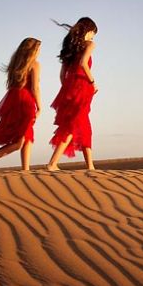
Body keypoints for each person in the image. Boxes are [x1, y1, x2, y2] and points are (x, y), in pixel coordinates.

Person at [0, 38, 42, 171]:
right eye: (38, 49)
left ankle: (25, 169)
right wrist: (39, 106)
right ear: (32, 51)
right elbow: (35, 88)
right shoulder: (35, 64)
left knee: (26, 136)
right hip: (26, 102)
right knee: (18, 143)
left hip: (15, 100)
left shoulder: (16, 65)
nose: (39, 53)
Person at [47, 17, 98, 171]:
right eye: (93, 33)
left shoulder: (70, 48)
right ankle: (52, 163)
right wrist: (92, 82)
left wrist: (68, 88)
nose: (93, 37)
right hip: (82, 88)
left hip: (70, 88)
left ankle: (90, 166)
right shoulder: (89, 45)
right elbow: (83, 63)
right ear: (88, 31)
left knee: (82, 125)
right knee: (74, 126)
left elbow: (62, 75)